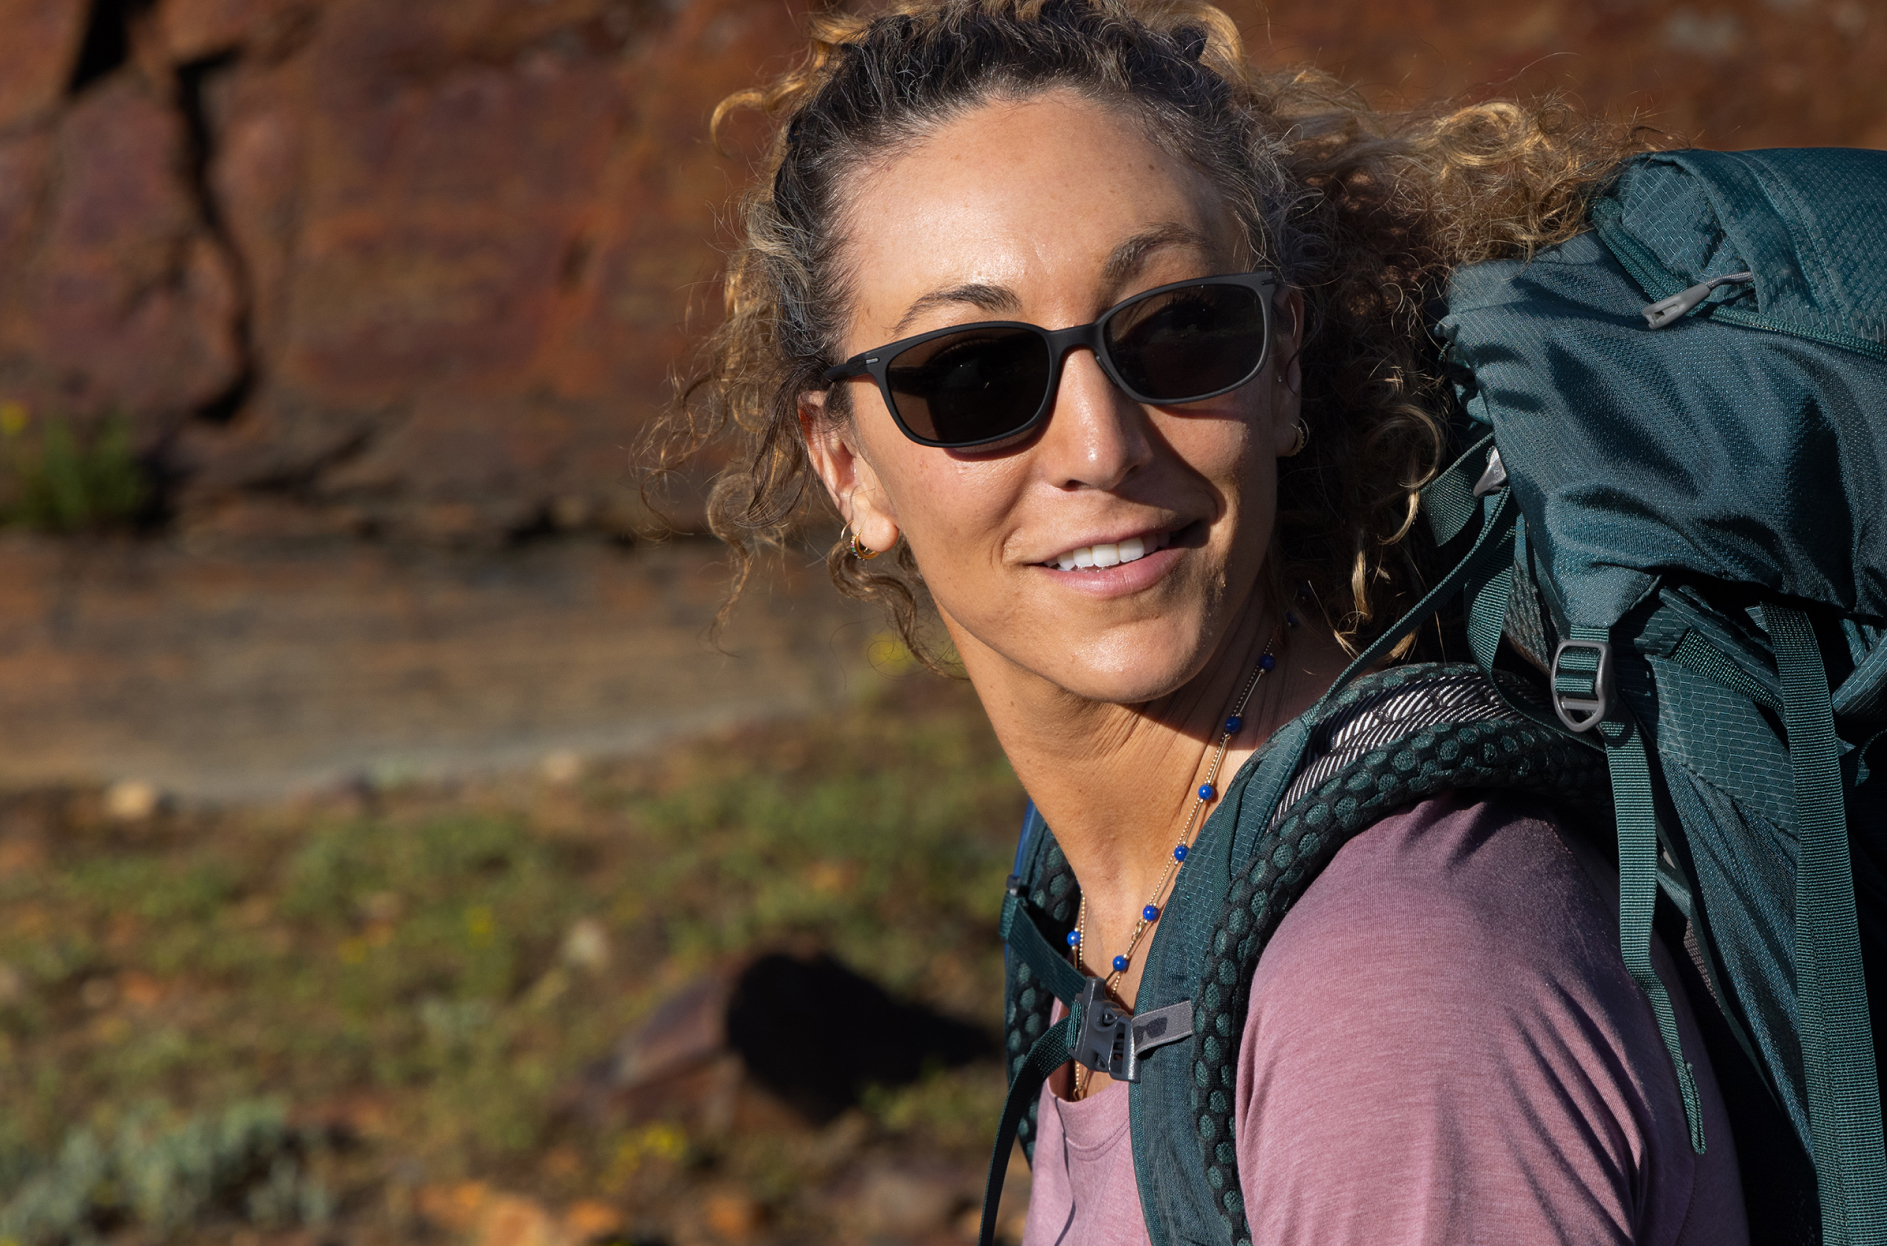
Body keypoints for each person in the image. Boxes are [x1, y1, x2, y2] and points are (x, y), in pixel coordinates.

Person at [657, 2, 1746, 1243]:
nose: (1099, 445)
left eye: (1177, 331)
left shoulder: (1393, 996)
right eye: (973, 374)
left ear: (1281, 364)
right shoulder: (1111, 923)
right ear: (844, 463)